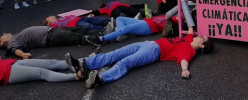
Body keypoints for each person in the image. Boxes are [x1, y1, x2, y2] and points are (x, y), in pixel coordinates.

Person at [67, 25, 213, 88]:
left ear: (202, 46)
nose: (199, 35)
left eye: (202, 38)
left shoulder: (190, 50)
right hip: (148, 43)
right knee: (114, 54)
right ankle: (84, 64)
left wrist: (184, 70)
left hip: (153, 52)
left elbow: (184, 60)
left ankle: (100, 79)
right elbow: (191, 28)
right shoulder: (189, 39)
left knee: (126, 62)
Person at [0, 26, 101, 59]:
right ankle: (102, 38)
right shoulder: (11, 43)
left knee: (78, 30)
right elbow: (15, 50)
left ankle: (102, 31)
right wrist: (23, 55)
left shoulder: (15, 36)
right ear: (2, 42)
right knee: (77, 38)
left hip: (51, 31)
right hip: (49, 37)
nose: (5, 33)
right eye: (3, 35)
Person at [83, 15, 179, 45]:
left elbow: (166, 32)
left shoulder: (174, 22)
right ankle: (122, 33)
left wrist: (170, 24)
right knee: (119, 18)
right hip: (145, 21)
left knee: (126, 28)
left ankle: (102, 39)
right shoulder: (172, 14)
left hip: (148, 27)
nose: (179, 15)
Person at [43, 15, 112, 33]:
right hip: (75, 23)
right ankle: (104, 29)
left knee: (94, 20)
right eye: (48, 18)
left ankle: (109, 21)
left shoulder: (59, 19)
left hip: (78, 19)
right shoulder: (54, 24)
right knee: (90, 26)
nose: (50, 16)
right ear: (48, 23)